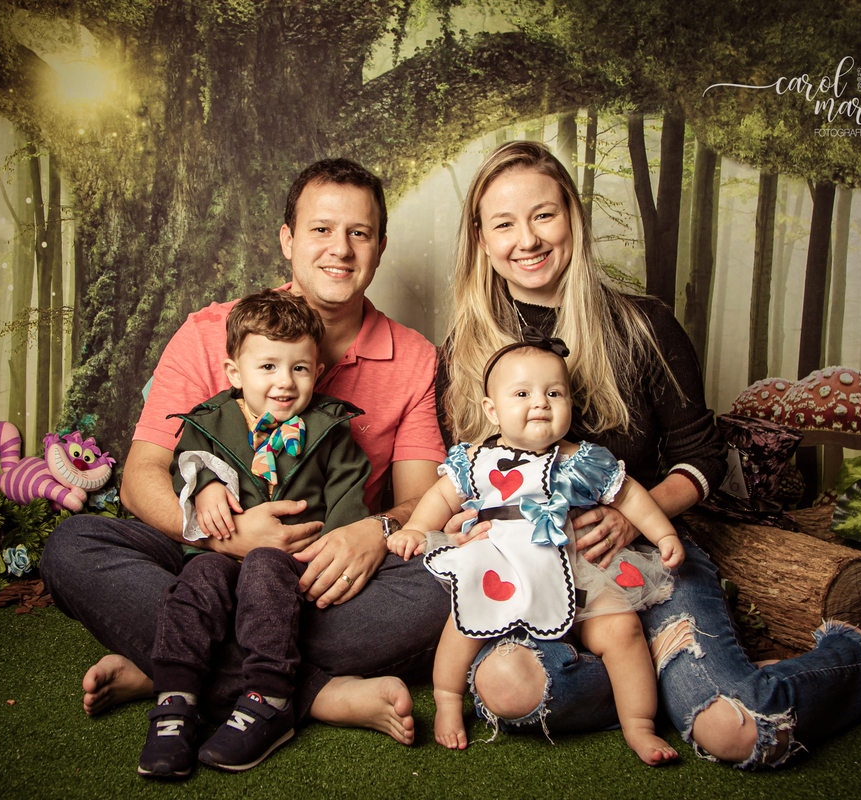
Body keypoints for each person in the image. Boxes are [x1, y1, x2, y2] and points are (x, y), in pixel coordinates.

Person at [435, 140, 861, 768]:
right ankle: (673, 677)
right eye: (504, 224)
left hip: (644, 561)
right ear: (481, 240)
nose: (528, 239)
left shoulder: (643, 325)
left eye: (544, 215)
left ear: (573, 217)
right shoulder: (463, 350)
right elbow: (464, 477)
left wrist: (630, 519)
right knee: (508, 690)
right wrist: (460, 525)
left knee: (734, 731)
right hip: (532, 576)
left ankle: (857, 660)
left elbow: (703, 455)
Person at [41, 159, 449, 747]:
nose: (340, 249)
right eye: (321, 229)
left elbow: (420, 504)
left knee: (444, 584)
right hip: (203, 560)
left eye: (359, 233)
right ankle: (312, 693)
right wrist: (226, 537)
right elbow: (140, 479)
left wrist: (375, 530)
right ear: (287, 240)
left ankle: (173, 665)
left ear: (380, 247)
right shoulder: (210, 332)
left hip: (319, 574)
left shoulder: (412, 358)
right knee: (73, 546)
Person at [389, 339, 682, 765]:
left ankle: (639, 724)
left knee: (623, 631)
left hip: (578, 568)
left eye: (554, 393)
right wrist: (417, 528)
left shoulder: (582, 461)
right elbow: (441, 496)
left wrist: (663, 533)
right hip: (502, 564)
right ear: (492, 410)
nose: (541, 403)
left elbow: (631, 496)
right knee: (464, 622)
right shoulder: (476, 460)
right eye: (523, 393)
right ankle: (448, 698)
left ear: (570, 403)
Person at [138, 290, 371, 778]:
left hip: (296, 567)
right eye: (267, 367)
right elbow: (188, 465)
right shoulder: (209, 421)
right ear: (234, 373)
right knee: (197, 575)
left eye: (299, 368)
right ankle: (175, 698)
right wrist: (204, 488)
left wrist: (331, 550)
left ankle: (270, 696)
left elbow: (348, 499)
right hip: (223, 556)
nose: (284, 382)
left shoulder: (331, 428)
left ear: (317, 371)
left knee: (266, 566)